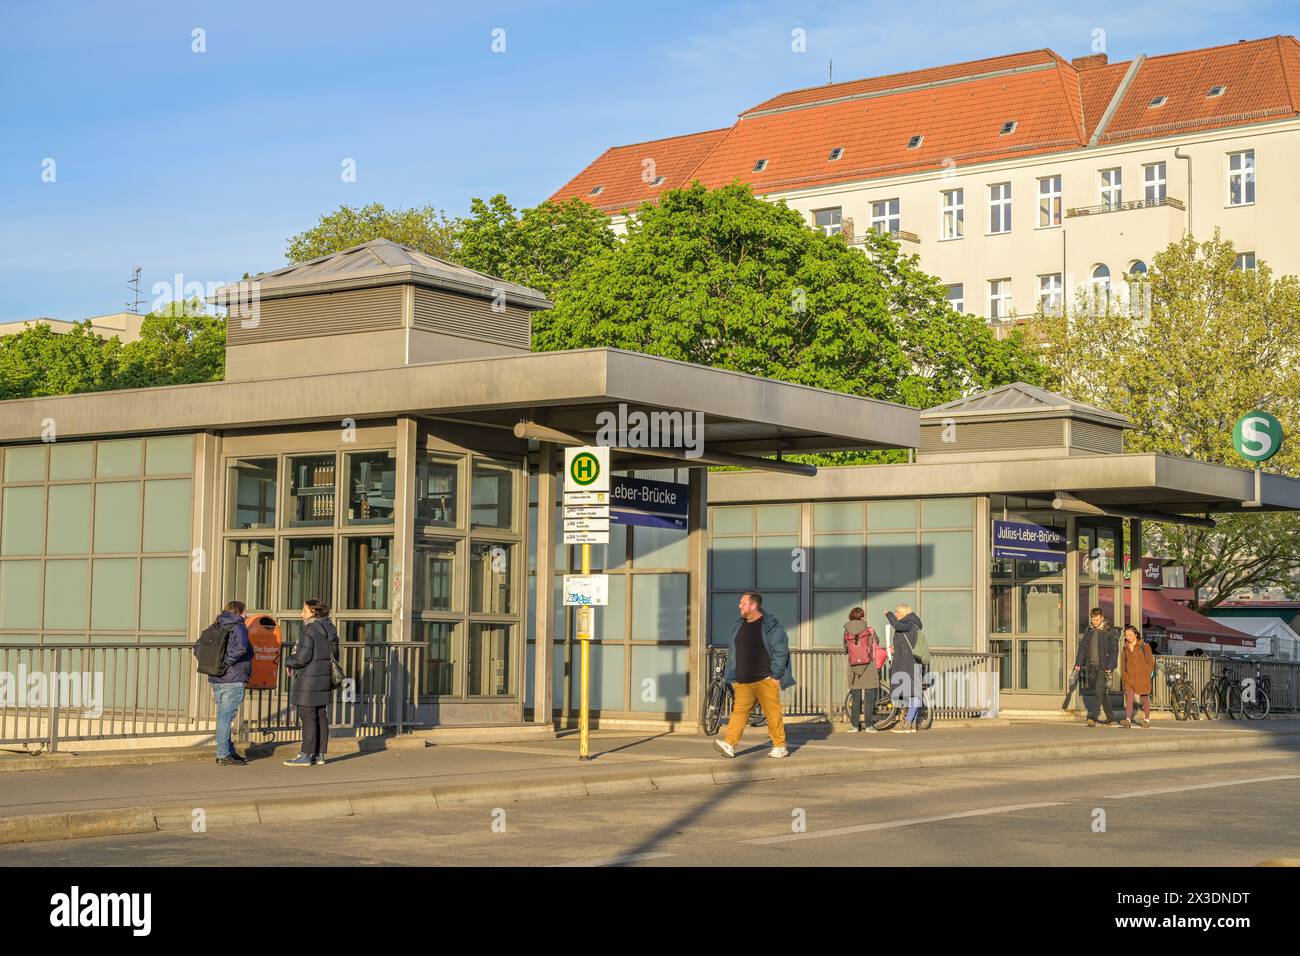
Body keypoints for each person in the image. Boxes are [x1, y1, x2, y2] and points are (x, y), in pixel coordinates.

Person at [714, 592, 796, 759]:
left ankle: (780, 746)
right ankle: (729, 744)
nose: (739, 606)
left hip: (765, 679)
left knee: (772, 713)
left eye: (742, 603)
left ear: (753, 605)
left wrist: (776, 676)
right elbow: (735, 651)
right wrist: (734, 676)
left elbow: (781, 651)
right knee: (739, 713)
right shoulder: (740, 625)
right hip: (743, 680)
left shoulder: (771, 626)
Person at [194, 600, 253, 766]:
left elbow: (198, 647)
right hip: (233, 678)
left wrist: (214, 663)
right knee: (226, 718)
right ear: (239, 612)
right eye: (244, 612)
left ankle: (229, 751)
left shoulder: (216, 625)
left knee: (223, 716)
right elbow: (241, 648)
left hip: (217, 678)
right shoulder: (238, 626)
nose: (246, 615)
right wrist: (226, 662)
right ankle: (223, 754)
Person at [283, 598, 340, 766]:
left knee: (307, 717)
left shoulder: (309, 630)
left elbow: (302, 658)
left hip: (308, 682)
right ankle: (320, 754)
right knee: (321, 716)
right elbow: (335, 655)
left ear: (314, 612)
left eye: (304, 611)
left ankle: (306, 754)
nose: (301, 614)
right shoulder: (330, 628)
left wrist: (288, 660)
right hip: (324, 680)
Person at [1074, 607, 1120, 726]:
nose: (1094, 622)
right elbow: (1083, 648)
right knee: (1101, 693)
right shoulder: (1089, 630)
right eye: (1093, 620)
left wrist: (1110, 666)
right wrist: (1078, 664)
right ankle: (1110, 717)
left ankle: (1092, 718)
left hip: (1103, 667)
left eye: (1097, 620)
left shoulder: (1109, 631)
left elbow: (1114, 651)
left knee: (1099, 691)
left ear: (1102, 618)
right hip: (1091, 666)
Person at [885, 605, 924, 733]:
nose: (896, 614)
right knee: (913, 692)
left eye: (897, 611)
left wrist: (888, 614)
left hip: (908, 663)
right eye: (895, 611)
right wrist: (895, 649)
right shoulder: (913, 624)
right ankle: (911, 723)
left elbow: (897, 625)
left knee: (913, 693)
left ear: (903, 612)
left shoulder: (908, 623)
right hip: (911, 662)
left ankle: (908, 722)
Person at [842, 607, 880, 733]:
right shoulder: (869, 630)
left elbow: (845, 648)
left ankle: (854, 725)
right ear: (862, 617)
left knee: (855, 694)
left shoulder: (846, 631)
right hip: (868, 665)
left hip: (853, 667)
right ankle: (869, 725)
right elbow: (876, 643)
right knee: (869, 695)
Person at [1120, 625, 1155, 728]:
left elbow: (1151, 663)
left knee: (1144, 699)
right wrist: (1124, 677)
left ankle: (1147, 720)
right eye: (1126, 635)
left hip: (1142, 678)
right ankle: (1128, 720)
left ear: (1136, 634)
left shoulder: (1145, 646)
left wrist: (1146, 674)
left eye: (1130, 635)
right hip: (1130, 678)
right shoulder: (1125, 648)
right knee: (1129, 699)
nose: (1128, 637)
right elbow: (1123, 664)